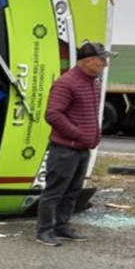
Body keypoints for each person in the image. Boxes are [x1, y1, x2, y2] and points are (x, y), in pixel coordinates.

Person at [36, 40, 115, 246]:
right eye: (101, 60)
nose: (105, 65)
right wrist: (77, 134)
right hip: (64, 149)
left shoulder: (93, 83)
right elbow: (53, 114)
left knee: (72, 191)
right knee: (54, 191)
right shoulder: (66, 83)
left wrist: (94, 136)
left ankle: (62, 227)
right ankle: (44, 230)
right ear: (87, 61)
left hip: (82, 149)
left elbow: (90, 114)